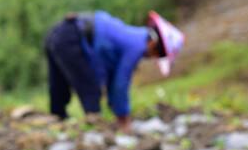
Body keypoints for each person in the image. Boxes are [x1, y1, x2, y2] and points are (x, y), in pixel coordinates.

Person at [44, 10, 185, 131]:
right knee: (90, 90)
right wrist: (123, 118)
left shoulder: (131, 36)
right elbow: (120, 83)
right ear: (154, 43)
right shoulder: (136, 46)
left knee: (59, 87)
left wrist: (114, 104)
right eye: (157, 53)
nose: (152, 57)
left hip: (60, 33)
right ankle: (93, 131)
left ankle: (57, 123)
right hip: (71, 38)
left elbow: (112, 78)